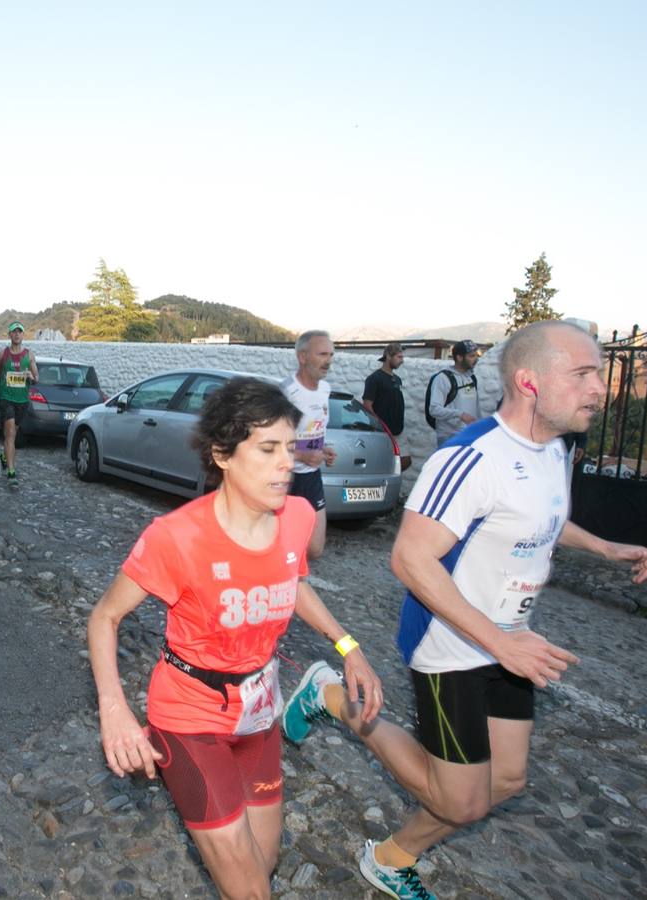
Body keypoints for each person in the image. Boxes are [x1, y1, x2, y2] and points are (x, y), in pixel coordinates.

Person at [280, 320, 647, 900]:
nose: (600, 388)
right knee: (458, 798)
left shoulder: (552, 451)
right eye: (583, 373)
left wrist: (604, 547)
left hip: (508, 639)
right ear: (529, 381)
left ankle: (391, 860)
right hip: (450, 645)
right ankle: (331, 696)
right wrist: (500, 642)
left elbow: (533, 516)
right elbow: (411, 560)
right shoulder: (469, 457)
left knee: (508, 780)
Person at [87, 377, 384, 900]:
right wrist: (113, 709)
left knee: (260, 866)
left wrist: (347, 646)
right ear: (223, 455)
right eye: (267, 449)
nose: (285, 463)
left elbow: (292, 580)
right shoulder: (176, 537)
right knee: (250, 889)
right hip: (189, 717)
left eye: (291, 448)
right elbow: (104, 618)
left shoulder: (294, 516)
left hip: (259, 713)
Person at [280, 330, 337, 559]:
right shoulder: (287, 392)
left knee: (314, 548)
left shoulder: (325, 390)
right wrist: (302, 456)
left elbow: (312, 430)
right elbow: (269, 443)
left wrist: (322, 450)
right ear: (303, 357)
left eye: (331, 355)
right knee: (278, 544)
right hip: (285, 476)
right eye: (322, 354)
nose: (328, 361)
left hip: (311, 476)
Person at [0, 322, 39, 483]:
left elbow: (36, 378)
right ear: (9, 335)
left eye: (19, 332)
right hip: (6, 397)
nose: (17, 334)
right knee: (10, 433)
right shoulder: (2, 353)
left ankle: (4, 456)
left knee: (13, 433)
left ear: (23, 335)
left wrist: (32, 377)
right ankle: (11, 472)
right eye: (14, 332)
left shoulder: (29, 354)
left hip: (22, 400)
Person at [425, 339, 482, 447]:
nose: (476, 359)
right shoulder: (443, 379)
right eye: (471, 356)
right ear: (459, 357)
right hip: (449, 437)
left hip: (468, 436)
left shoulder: (471, 378)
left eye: (476, 356)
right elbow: (434, 409)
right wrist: (460, 414)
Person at [363, 341, 408, 470]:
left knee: (405, 460)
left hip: (398, 429)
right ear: (388, 356)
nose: (402, 360)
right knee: (383, 461)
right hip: (383, 430)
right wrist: (379, 425)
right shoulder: (374, 379)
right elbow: (367, 405)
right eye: (399, 357)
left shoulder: (397, 379)